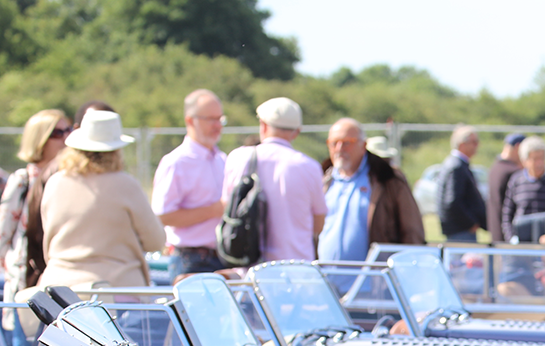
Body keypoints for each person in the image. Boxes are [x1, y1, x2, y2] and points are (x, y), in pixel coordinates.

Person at [38, 109, 164, 288]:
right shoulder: (125, 185)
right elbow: (155, 241)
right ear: (116, 149)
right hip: (116, 289)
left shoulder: (55, 183)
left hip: (60, 290)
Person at [220, 98, 327, 263]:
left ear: (263, 125)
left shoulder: (238, 158)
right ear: (296, 132)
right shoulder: (309, 166)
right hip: (296, 268)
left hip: (249, 269)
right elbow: (318, 223)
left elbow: (227, 207)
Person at [0, 108, 69, 302]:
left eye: (69, 130)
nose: (66, 138)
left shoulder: (70, 180)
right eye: (58, 133)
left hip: (60, 278)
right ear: (40, 140)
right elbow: (2, 236)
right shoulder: (23, 180)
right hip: (26, 281)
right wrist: (13, 269)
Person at [318, 117, 424, 261]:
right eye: (334, 143)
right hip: (327, 278)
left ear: (363, 145)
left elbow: (411, 230)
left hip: (372, 278)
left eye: (347, 143)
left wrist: (409, 267)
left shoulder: (386, 179)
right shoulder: (324, 179)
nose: (339, 149)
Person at [152, 89, 227, 280]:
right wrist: (214, 210)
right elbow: (163, 215)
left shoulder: (222, 160)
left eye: (220, 119)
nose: (217, 125)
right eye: (210, 119)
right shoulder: (176, 162)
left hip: (223, 259)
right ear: (190, 120)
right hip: (190, 261)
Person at [500, 136, 545, 242]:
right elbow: (507, 214)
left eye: (541, 158)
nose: (539, 163)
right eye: (535, 159)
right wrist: (511, 238)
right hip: (524, 245)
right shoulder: (516, 181)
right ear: (524, 160)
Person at [437, 125, 488, 241]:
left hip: (460, 230)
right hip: (461, 232)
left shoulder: (457, 164)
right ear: (462, 144)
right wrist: (471, 223)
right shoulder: (456, 167)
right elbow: (452, 202)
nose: (477, 145)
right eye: (474, 142)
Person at [487, 133, 525, 243]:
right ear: (518, 147)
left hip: (495, 232)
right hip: (509, 236)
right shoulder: (513, 172)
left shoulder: (495, 167)